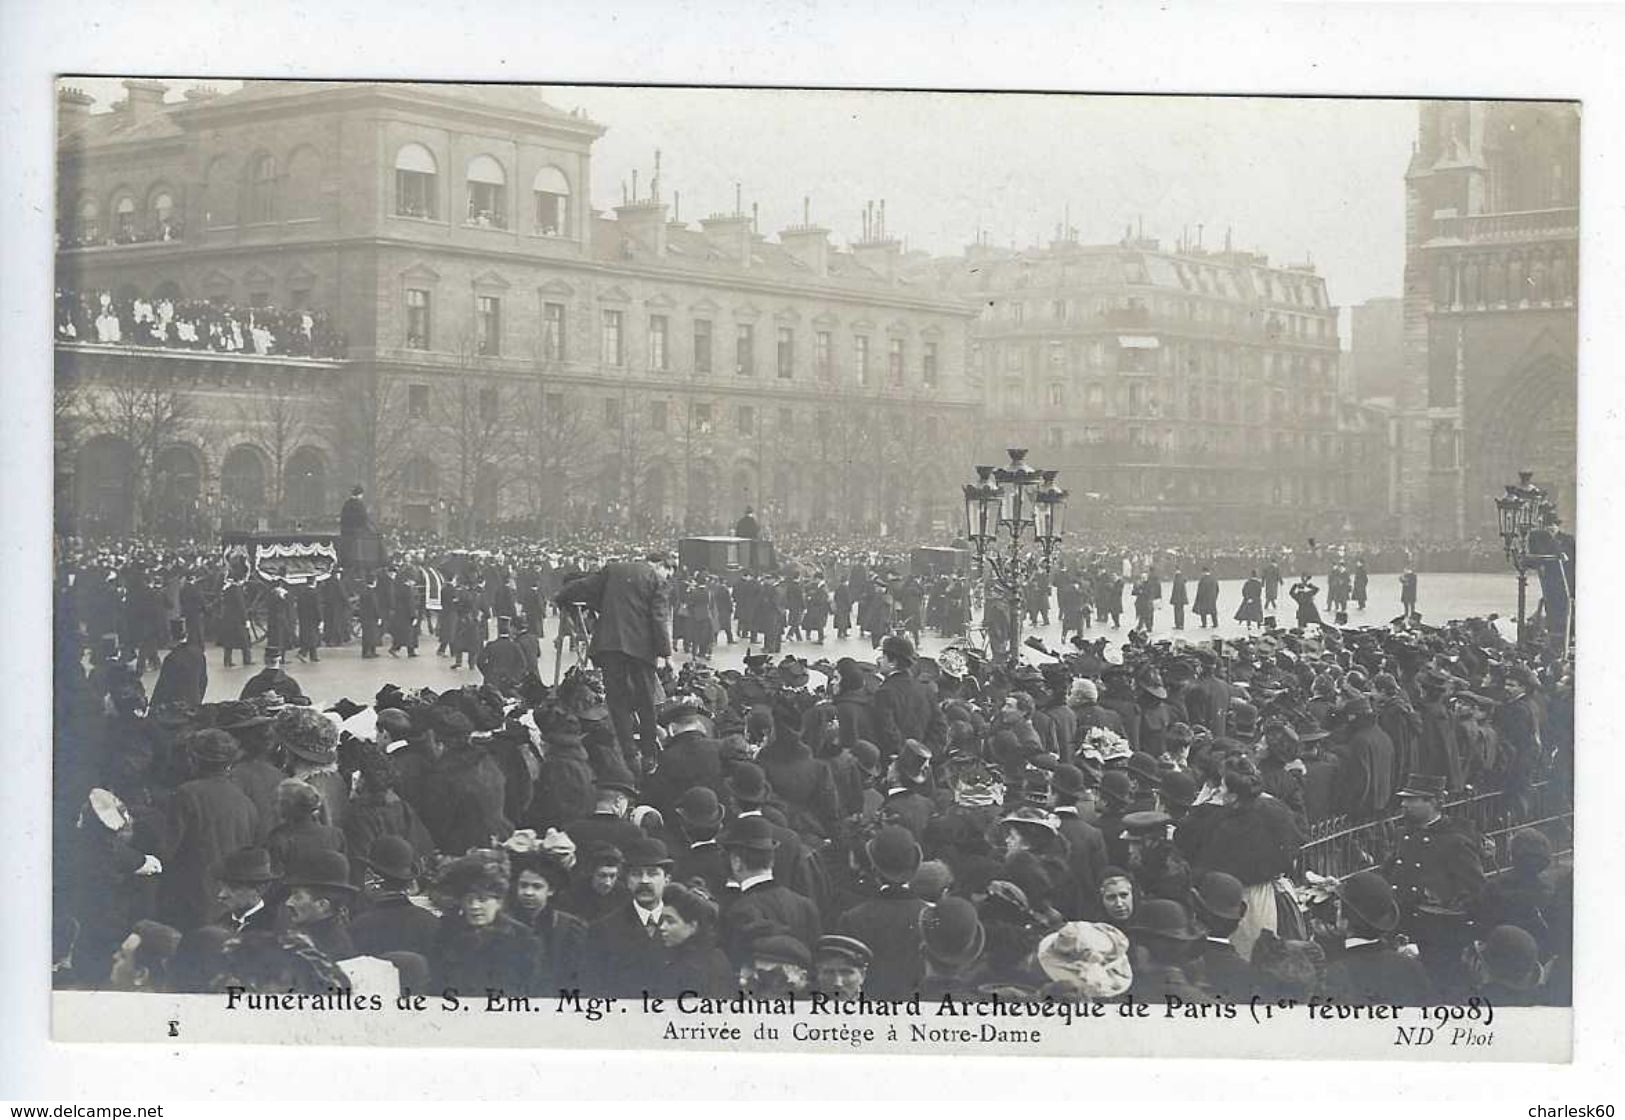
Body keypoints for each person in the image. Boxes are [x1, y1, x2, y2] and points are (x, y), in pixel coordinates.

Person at [555, 551, 673, 770]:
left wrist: (561, 596)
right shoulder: (657, 579)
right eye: (669, 570)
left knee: (617, 701)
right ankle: (649, 754)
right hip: (641, 648)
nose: (668, 575)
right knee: (646, 700)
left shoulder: (615, 569)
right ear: (660, 565)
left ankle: (629, 754)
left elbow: (584, 586)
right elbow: (658, 619)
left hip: (610, 645)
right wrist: (666, 654)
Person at [157, 730, 261, 932]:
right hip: (224, 904)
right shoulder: (246, 803)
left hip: (185, 899)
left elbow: (166, 850)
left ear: (193, 759)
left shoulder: (187, 794)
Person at [581, 837, 674, 997]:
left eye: (652, 874)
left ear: (667, 880)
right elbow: (593, 989)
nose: (644, 881)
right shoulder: (603, 930)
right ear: (627, 880)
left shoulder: (685, 926)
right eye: (636, 874)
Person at [657, 881, 734, 997]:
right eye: (662, 920)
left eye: (670, 921)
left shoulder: (707, 963)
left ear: (693, 926)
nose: (662, 927)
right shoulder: (672, 956)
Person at [150, 618, 207, 709]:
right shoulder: (199, 654)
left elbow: (163, 687)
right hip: (194, 704)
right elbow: (203, 682)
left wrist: (153, 706)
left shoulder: (171, 659)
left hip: (176, 708)